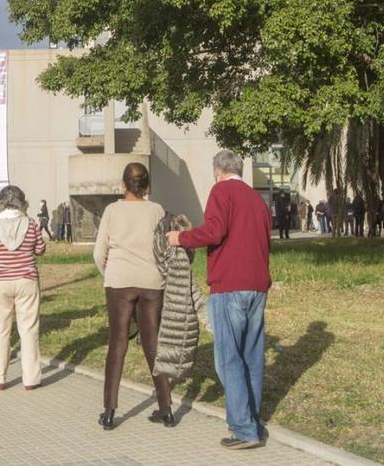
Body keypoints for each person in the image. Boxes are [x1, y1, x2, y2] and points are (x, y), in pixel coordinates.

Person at [168, 150, 272, 449]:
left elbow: (215, 231)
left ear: (217, 170)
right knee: (251, 356)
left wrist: (181, 238)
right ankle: (251, 419)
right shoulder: (257, 200)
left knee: (228, 359)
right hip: (257, 284)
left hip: (229, 285)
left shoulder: (221, 191)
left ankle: (243, 428)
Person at [93, 163, 174, 429]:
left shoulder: (112, 211)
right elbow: (164, 247)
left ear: (123, 184)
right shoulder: (157, 210)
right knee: (153, 344)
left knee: (118, 342)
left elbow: (98, 252)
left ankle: (109, 411)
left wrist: (110, 273)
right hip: (152, 281)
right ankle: (166, 408)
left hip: (120, 281)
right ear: (146, 185)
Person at [0, 185, 46, 391]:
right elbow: (40, 250)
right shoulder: (31, 223)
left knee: (0, 329)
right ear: (22, 202)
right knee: (28, 329)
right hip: (26, 279)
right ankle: (31, 378)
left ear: (0, 202)